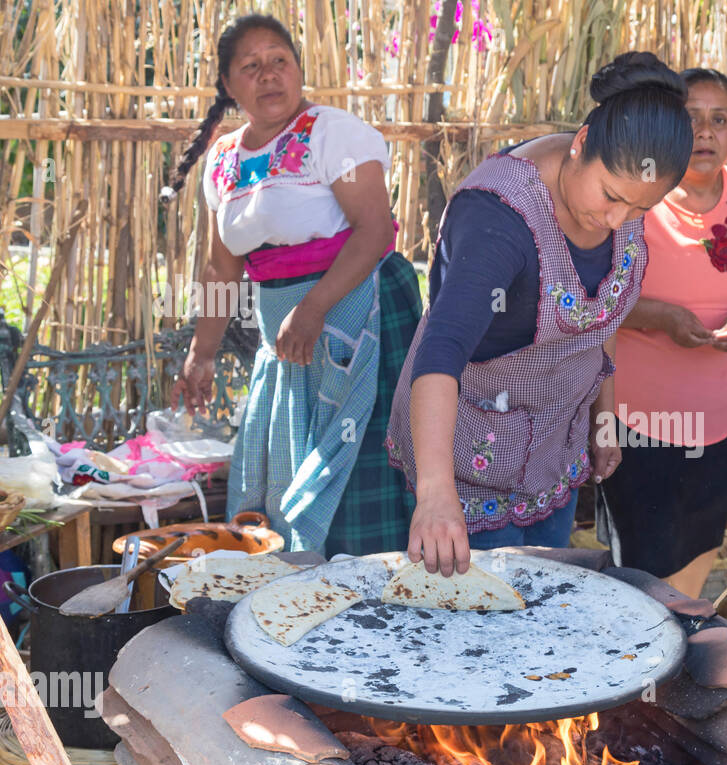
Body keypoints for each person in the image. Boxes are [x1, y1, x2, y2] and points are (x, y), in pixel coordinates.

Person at [385, 52, 693, 576]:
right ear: (580, 144)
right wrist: (436, 496)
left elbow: (604, 316)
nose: (618, 220)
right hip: (465, 461)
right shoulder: (499, 221)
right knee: (481, 632)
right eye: (612, 197)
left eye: (641, 210)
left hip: (554, 453)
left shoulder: (624, 194)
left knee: (545, 607)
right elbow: (439, 355)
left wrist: (604, 416)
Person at [169, 14, 421, 556]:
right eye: (251, 66)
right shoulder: (223, 162)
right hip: (286, 334)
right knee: (292, 473)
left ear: (299, 71)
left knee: (358, 477)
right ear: (229, 86)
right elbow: (222, 268)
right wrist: (201, 353)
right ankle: (294, 611)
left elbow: (374, 229)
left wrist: (313, 309)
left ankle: (377, 615)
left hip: (360, 313)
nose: (269, 75)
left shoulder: (333, 133)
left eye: (279, 60)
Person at [593, 68, 727, 599]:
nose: (705, 132)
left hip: (725, 412)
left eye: (720, 120)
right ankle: (641, 666)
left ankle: (675, 651)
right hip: (640, 416)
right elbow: (596, 299)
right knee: (644, 556)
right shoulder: (637, 195)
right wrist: (661, 317)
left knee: (701, 540)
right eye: (691, 119)